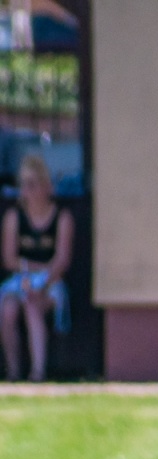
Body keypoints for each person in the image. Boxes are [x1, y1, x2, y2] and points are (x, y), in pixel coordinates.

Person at [1, 153, 73, 382]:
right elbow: (9, 259)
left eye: (32, 185)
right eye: (23, 185)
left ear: (45, 186)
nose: (27, 191)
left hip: (51, 281)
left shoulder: (62, 217)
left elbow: (61, 262)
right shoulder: (14, 216)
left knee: (33, 305)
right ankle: (13, 372)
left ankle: (37, 373)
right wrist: (35, 268)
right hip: (21, 279)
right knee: (8, 309)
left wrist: (43, 281)